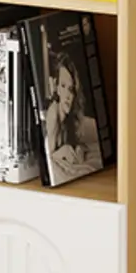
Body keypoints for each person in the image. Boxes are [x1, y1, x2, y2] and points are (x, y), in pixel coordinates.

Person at [44, 49, 101, 181]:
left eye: (71, 89)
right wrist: (62, 152)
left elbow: (74, 141)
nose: (68, 96)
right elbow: (48, 157)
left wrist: (77, 149)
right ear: (57, 87)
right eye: (63, 86)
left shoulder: (68, 117)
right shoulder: (53, 115)